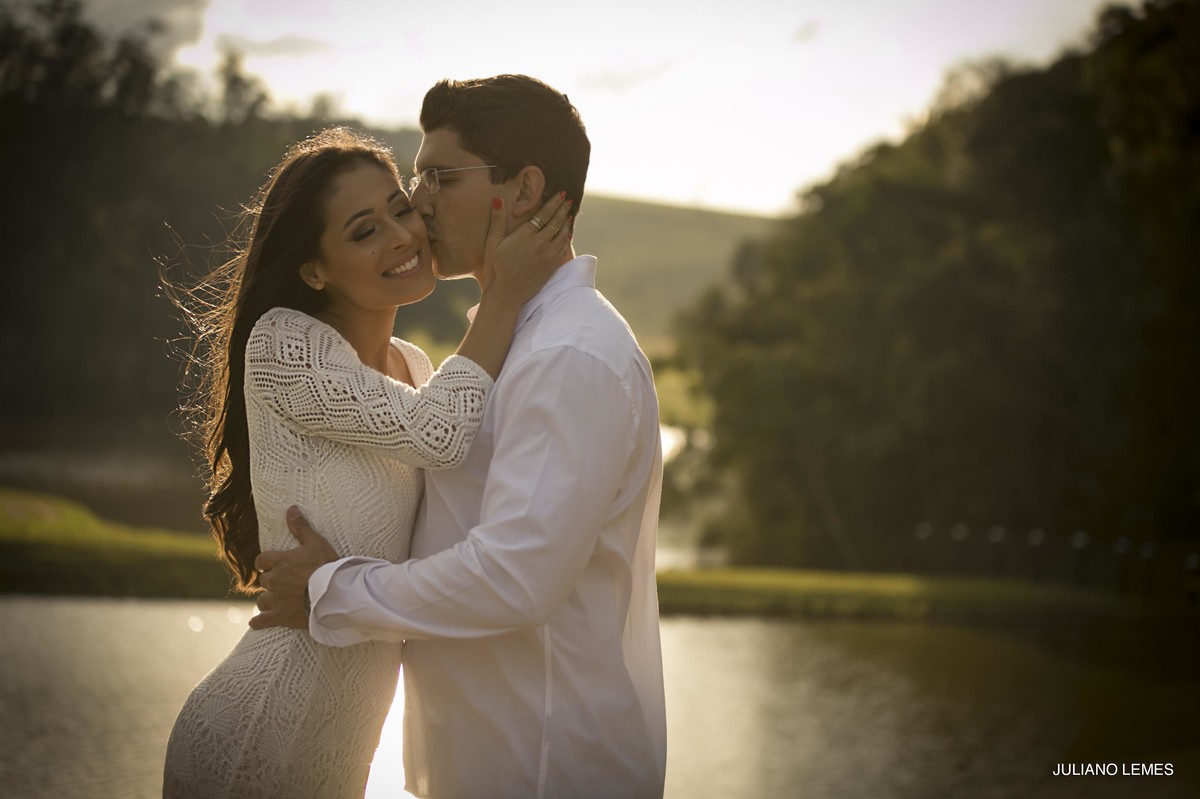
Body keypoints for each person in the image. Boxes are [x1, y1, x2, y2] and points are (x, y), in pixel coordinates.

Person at [252, 75, 667, 798]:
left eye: (440, 177)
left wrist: (331, 589)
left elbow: (512, 576)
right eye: (417, 177)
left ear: (526, 188)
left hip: (543, 768)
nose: (418, 202)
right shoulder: (506, 346)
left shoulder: (569, 354)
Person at [161, 126, 571, 798]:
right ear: (313, 268)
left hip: (340, 753)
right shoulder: (284, 344)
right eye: (363, 231)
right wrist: (503, 294)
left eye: (399, 209)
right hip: (250, 739)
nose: (402, 236)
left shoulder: (414, 367)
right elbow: (441, 435)